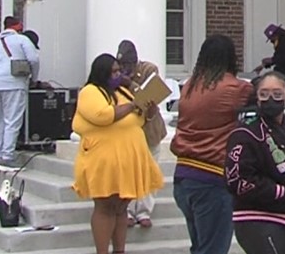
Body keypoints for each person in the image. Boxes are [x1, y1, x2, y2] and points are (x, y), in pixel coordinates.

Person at [71, 53, 164, 254]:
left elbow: (141, 119)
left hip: (129, 159)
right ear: (102, 72)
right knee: (105, 207)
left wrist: (148, 107)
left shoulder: (124, 91)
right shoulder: (90, 91)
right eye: (113, 71)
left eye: (118, 70)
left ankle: (119, 250)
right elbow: (103, 116)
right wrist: (132, 105)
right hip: (103, 160)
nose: (118, 74)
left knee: (121, 208)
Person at [171, 34, 254, 254]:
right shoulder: (235, 88)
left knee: (200, 246)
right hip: (212, 176)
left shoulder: (189, 86)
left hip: (183, 176)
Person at [225, 71, 285, 254]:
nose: (270, 99)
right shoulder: (246, 133)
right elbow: (237, 180)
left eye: (277, 94)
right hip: (260, 219)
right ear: (257, 98)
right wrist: (281, 191)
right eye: (264, 94)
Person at [116, 39, 167, 228]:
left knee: (149, 171)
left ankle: (144, 211)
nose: (124, 68)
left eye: (127, 64)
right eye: (121, 65)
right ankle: (127, 210)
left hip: (150, 129)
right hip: (127, 131)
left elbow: (149, 99)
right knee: (128, 172)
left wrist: (130, 84)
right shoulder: (115, 72)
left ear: (135, 61)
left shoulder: (149, 69)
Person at [0, 15, 40, 167]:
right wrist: (34, 78)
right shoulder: (22, 40)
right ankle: (7, 155)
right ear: (18, 26)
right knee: (12, 120)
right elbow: (33, 59)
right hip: (14, 82)